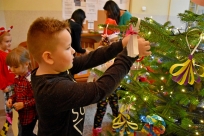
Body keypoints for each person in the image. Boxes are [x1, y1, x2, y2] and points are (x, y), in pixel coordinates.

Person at [26, 17, 151, 136]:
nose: (73, 51)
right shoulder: (51, 89)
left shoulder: (55, 68)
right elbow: (100, 89)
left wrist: (122, 44)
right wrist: (129, 54)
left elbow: (90, 59)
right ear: (48, 57)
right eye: (68, 47)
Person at [92, 14, 120, 136]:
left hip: (114, 84)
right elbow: (95, 69)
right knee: (101, 108)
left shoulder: (118, 52)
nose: (116, 43)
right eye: (114, 41)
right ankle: (96, 128)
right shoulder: (101, 52)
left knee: (115, 106)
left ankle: (117, 123)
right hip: (102, 86)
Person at [6, 46, 37, 136]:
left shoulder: (30, 80)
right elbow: (17, 93)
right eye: (10, 67)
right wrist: (11, 99)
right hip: (22, 114)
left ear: (26, 64)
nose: (12, 70)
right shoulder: (17, 77)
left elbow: (37, 99)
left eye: (15, 67)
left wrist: (23, 104)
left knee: (25, 133)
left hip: (30, 116)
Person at [0, 26, 15, 125]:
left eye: (10, 41)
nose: (9, 43)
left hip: (14, 82)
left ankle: (15, 119)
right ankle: (9, 120)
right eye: (6, 42)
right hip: (7, 85)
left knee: (14, 100)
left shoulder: (10, 52)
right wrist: (3, 86)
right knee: (8, 102)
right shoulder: (0, 55)